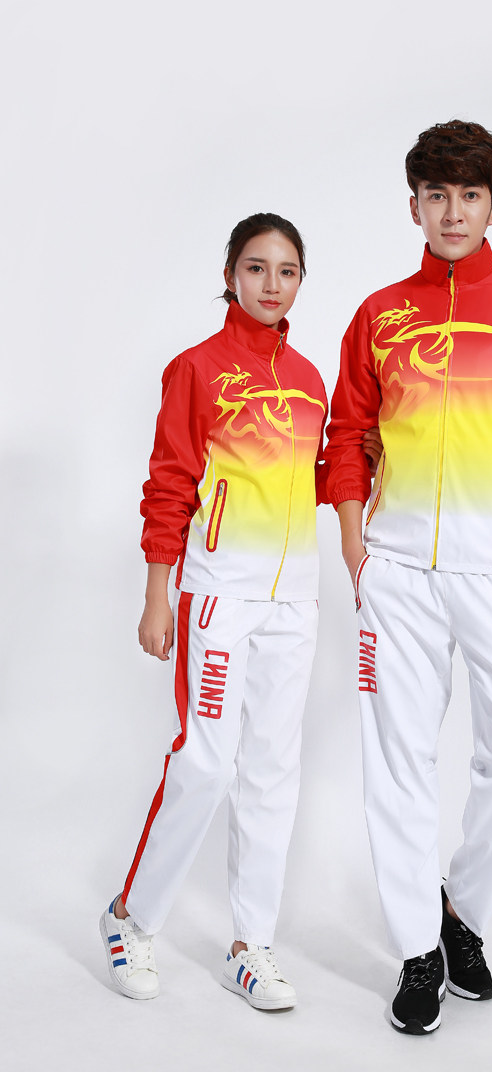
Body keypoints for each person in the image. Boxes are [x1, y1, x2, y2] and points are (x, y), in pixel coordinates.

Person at [324, 120, 492, 1034]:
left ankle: (461, 913)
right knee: (397, 759)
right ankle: (417, 948)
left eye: (469, 196)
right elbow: (346, 438)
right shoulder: (378, 315)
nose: (452, 212)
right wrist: (358, 552)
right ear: (414, 207)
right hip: (397, 572)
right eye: (436, 196)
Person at [100, 213, 330, 1011]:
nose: (272, 284)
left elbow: (312, 477)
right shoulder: (196, 369)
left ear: (301, 282)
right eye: (257, 267)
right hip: (219, 597)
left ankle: (249, 945)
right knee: (205, 760)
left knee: (273, 768)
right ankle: (131, 917)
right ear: (230, 274)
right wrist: (157, 593)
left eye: (287, 271)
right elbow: (170, 481)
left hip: (294, 600)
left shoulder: (310, 380)